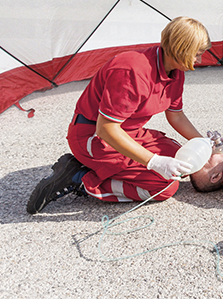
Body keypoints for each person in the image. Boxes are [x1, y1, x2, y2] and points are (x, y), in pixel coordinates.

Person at [27, 17, 212, 214]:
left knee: (180, 161)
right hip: (93, 136)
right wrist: (154, 162)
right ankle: (80, 178)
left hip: (128, 131)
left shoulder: (175, 72)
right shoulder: (133, 70)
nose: (198, 61)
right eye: (196, 54)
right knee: (164, 186)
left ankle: (100, 170)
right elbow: (106, 128)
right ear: (181, 49)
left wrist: (204, 142)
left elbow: (176, 116)